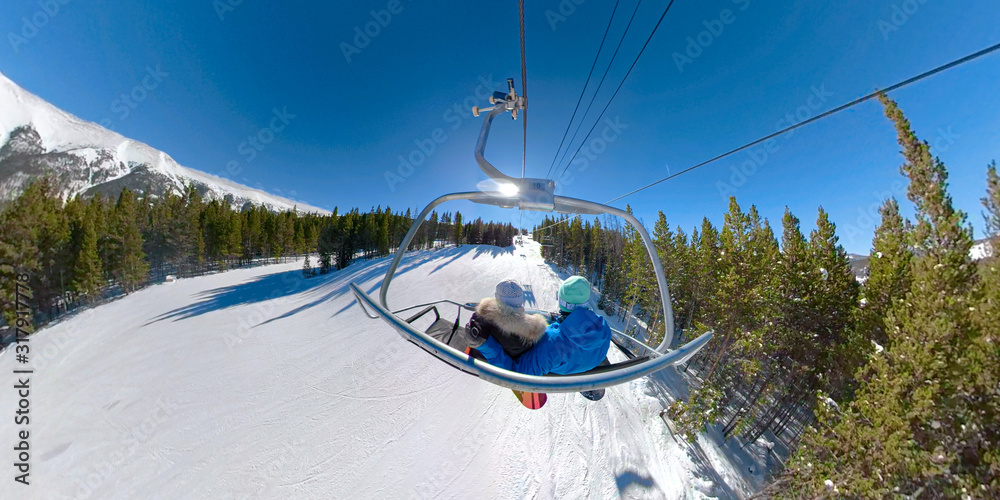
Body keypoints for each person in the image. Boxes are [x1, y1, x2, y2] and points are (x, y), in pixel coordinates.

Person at [467, 276, 612, 378]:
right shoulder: (604, 327)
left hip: (562, 369)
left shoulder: (552, 342)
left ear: (562, 302)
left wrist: (486, 346)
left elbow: (517, 373)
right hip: (589, 361)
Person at [464, 280, 548, 359]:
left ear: (497, 298)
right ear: (520, 300)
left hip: (483, 361)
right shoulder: (535, 331)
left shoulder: (483, 317)